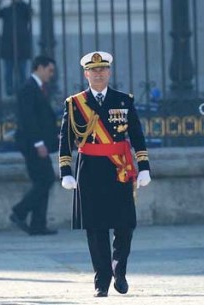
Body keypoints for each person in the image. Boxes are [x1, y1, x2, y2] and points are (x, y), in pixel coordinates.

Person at [58, 51, 152, 297]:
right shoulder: (75, 103)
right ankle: (102, 280)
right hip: (89, 169)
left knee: (124, 225)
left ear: (109, 72)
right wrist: (66, 171)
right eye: (94, 70)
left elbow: (137, 136)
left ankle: (119, 267)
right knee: (95, 227)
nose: (98, 74)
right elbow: (65, 139)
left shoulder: (124, 100)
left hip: (119, 168)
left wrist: (144, 167)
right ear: (86, 73)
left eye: (103, 69)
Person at [10, 56, 58, 235]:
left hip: (39, 143)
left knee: (42, 180)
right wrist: (39, 143)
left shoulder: (38, 88)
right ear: (39, 67)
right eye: (50, 70)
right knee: (46, 179)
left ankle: (38, 224)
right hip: (32, 144)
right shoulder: (28, 89)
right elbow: (27, 119)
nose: (51, 75)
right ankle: (19, 211)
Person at [0, 0, 34, 96]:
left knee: (22, 71)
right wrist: (0, 0)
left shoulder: (24, 8)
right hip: (8, 46)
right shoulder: (7, 10)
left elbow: (30, 12)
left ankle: (23, 92)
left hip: (22, 45)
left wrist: (20, 1)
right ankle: (10, 91)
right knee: (8, 72)